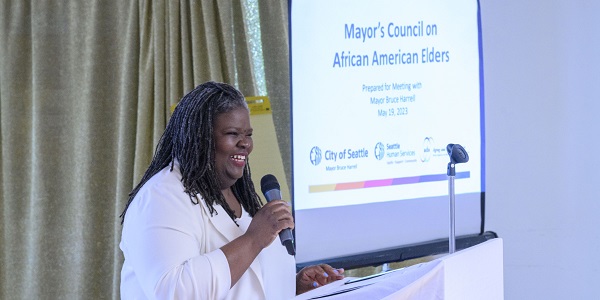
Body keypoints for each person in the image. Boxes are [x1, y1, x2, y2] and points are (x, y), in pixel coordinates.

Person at [119, 81, 344, 299]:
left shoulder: (241, 197)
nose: (245, 143)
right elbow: (174, 291)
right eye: (233, 134)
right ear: (201, 137)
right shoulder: (161, 197)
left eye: (248, 134)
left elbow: (245, 283)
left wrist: (293, 286)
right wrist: (254, 239)